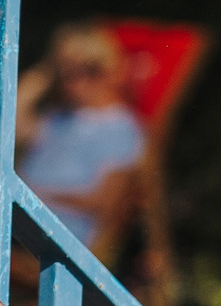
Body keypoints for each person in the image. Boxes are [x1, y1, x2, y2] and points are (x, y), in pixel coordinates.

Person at [17, 23, 146, 255]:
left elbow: (104, 204)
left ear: (105, 70)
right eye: (65, 73)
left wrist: (31, 195)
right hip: (19, 222)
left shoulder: (121, 128)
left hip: (57, 239)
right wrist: (46, 71)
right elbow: (7, 125)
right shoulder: (59, 117)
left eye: (83, 71)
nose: (71, 82)